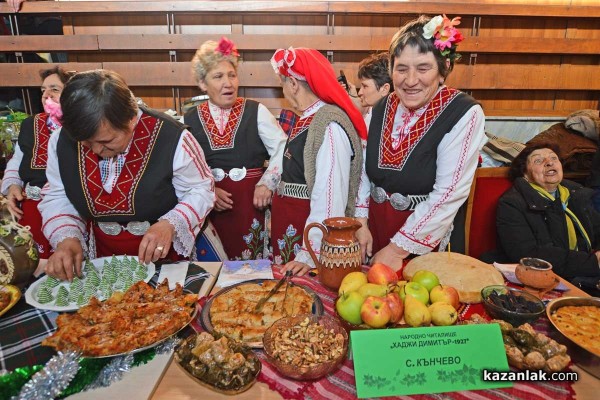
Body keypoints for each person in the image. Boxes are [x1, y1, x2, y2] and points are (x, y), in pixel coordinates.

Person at [39, 69, 215, 281]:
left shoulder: (171, 137)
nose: (95, 151)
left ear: (131, 120)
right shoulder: (61, 141)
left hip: (165, 261)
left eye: (106, 141)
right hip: (103, 262)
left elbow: (200, 189)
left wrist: (171, 224)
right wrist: (67, 237)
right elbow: (58, 195)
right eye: (86, 143)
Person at [357, 14, 487, 270]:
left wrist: (396, 250)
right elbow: (363, 171)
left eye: (423, 68)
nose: (411, 80)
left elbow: (448, 193)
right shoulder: (380, 108)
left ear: (443, 70)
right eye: (401, 68)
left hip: (422, 242)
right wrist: (361, 222)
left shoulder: (463, 113)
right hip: (375, 231)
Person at [184, 37, 287, 260]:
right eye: (218, 76)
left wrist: (267, 184)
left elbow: (282, 147)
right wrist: (209, 192)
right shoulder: (189, 118)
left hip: (251, 207)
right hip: (211, 211)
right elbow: (184, 169)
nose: (228, 83)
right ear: (203, 83)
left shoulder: (256, 111)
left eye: (232, 75)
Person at [270, 47, 366, 276]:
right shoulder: (310, 118)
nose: (283, 91)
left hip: (308, 246)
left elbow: (330, 194)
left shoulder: (329, 125)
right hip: (293, 230)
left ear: (293, 83)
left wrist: (311, 252)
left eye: (282, 84)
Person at [496, 143, 600, 281]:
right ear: (525, 174)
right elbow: (528, 254)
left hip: (585, 270)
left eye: (554, 158)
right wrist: (592, 262)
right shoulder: (511, 203)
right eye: (538, 160)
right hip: (549, 276)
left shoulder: (576, 193)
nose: (549, 162)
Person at [1, 66, 73, 264]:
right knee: (33, 264)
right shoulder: (31, 124)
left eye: (54, 89)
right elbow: (17, 161)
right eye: (43, 90)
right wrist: (12, 185)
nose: (46, 95)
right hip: (32, 207)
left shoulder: (82, 126)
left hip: (69, 209)